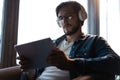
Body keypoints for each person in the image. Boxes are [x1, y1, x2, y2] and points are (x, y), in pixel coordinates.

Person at [18, 1, 120, 80]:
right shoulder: (52, 44)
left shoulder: (94, 41)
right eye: (61, 18)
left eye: (69, 16)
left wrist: (71, 63)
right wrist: (29, 70)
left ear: (81, 17)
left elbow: (116, 63)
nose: (64, 21)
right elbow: (35, 74)